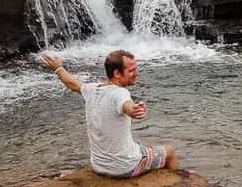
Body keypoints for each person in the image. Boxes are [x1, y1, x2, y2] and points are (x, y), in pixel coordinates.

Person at [41, 50, 178, 178]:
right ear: (117, 74)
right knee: (169, 151)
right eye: (131, 70)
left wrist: (58, 68)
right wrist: (133, 111)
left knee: (139, 146)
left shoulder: (92, 89)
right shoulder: (121, 93)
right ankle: (179, 184)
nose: (137, 73)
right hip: (124, 168)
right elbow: (126, 105)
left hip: (98, 166)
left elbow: (71, 83)